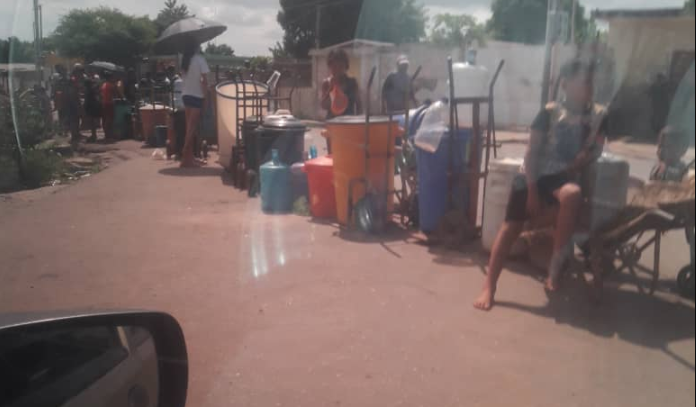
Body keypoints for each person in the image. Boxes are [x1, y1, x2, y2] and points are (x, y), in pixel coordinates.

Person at [474, 59, 609, 311]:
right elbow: (531, 153)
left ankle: (554, 267)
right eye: (583, 80)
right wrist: (533, 192)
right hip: (533, 176)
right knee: (509, 229)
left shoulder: (599, 116)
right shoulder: (548, 113)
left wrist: (587, 157)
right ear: (566, 84)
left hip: (563, 179)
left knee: (573, 194)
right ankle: (489, 286)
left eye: (591, 81)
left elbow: (597, 148)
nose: (589, 86)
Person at [180, 40, 210, 168]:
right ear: (195, 47)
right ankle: (184, 156)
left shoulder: (185, 59)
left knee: (189, 127)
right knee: (192, 129)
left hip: (186, 95)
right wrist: (206, 97)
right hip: (197, 96)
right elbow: (204, 80)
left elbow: (183, 77)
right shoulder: (200, 59)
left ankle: (190, 158)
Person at [321, 49, 361, 119]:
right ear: (330, 66)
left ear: (346, 67)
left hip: (348, 122)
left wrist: (359, 121)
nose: (337, 70)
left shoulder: (352, 83)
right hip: (332, 122)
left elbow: (359, 105)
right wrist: (330, 88)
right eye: (334, 66)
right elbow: (323, 106)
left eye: (340, 66)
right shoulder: (326, 83)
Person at [83, 76, 101, 143]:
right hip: (92, 106)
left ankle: (94, 135)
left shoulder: (89, 90)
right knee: (92, 122)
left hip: (90, 107)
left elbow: (87, 100)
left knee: (91, 122)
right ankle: (94, 135)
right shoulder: (91, 89)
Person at [100, 71, 116, 140]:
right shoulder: (110, 85)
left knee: (105, 119)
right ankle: (108, 135)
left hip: (104, 103)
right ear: (110, 77)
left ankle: (107, 134)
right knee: (109, 119)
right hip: (109, 103)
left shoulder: (103, 84)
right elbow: (115, 93)